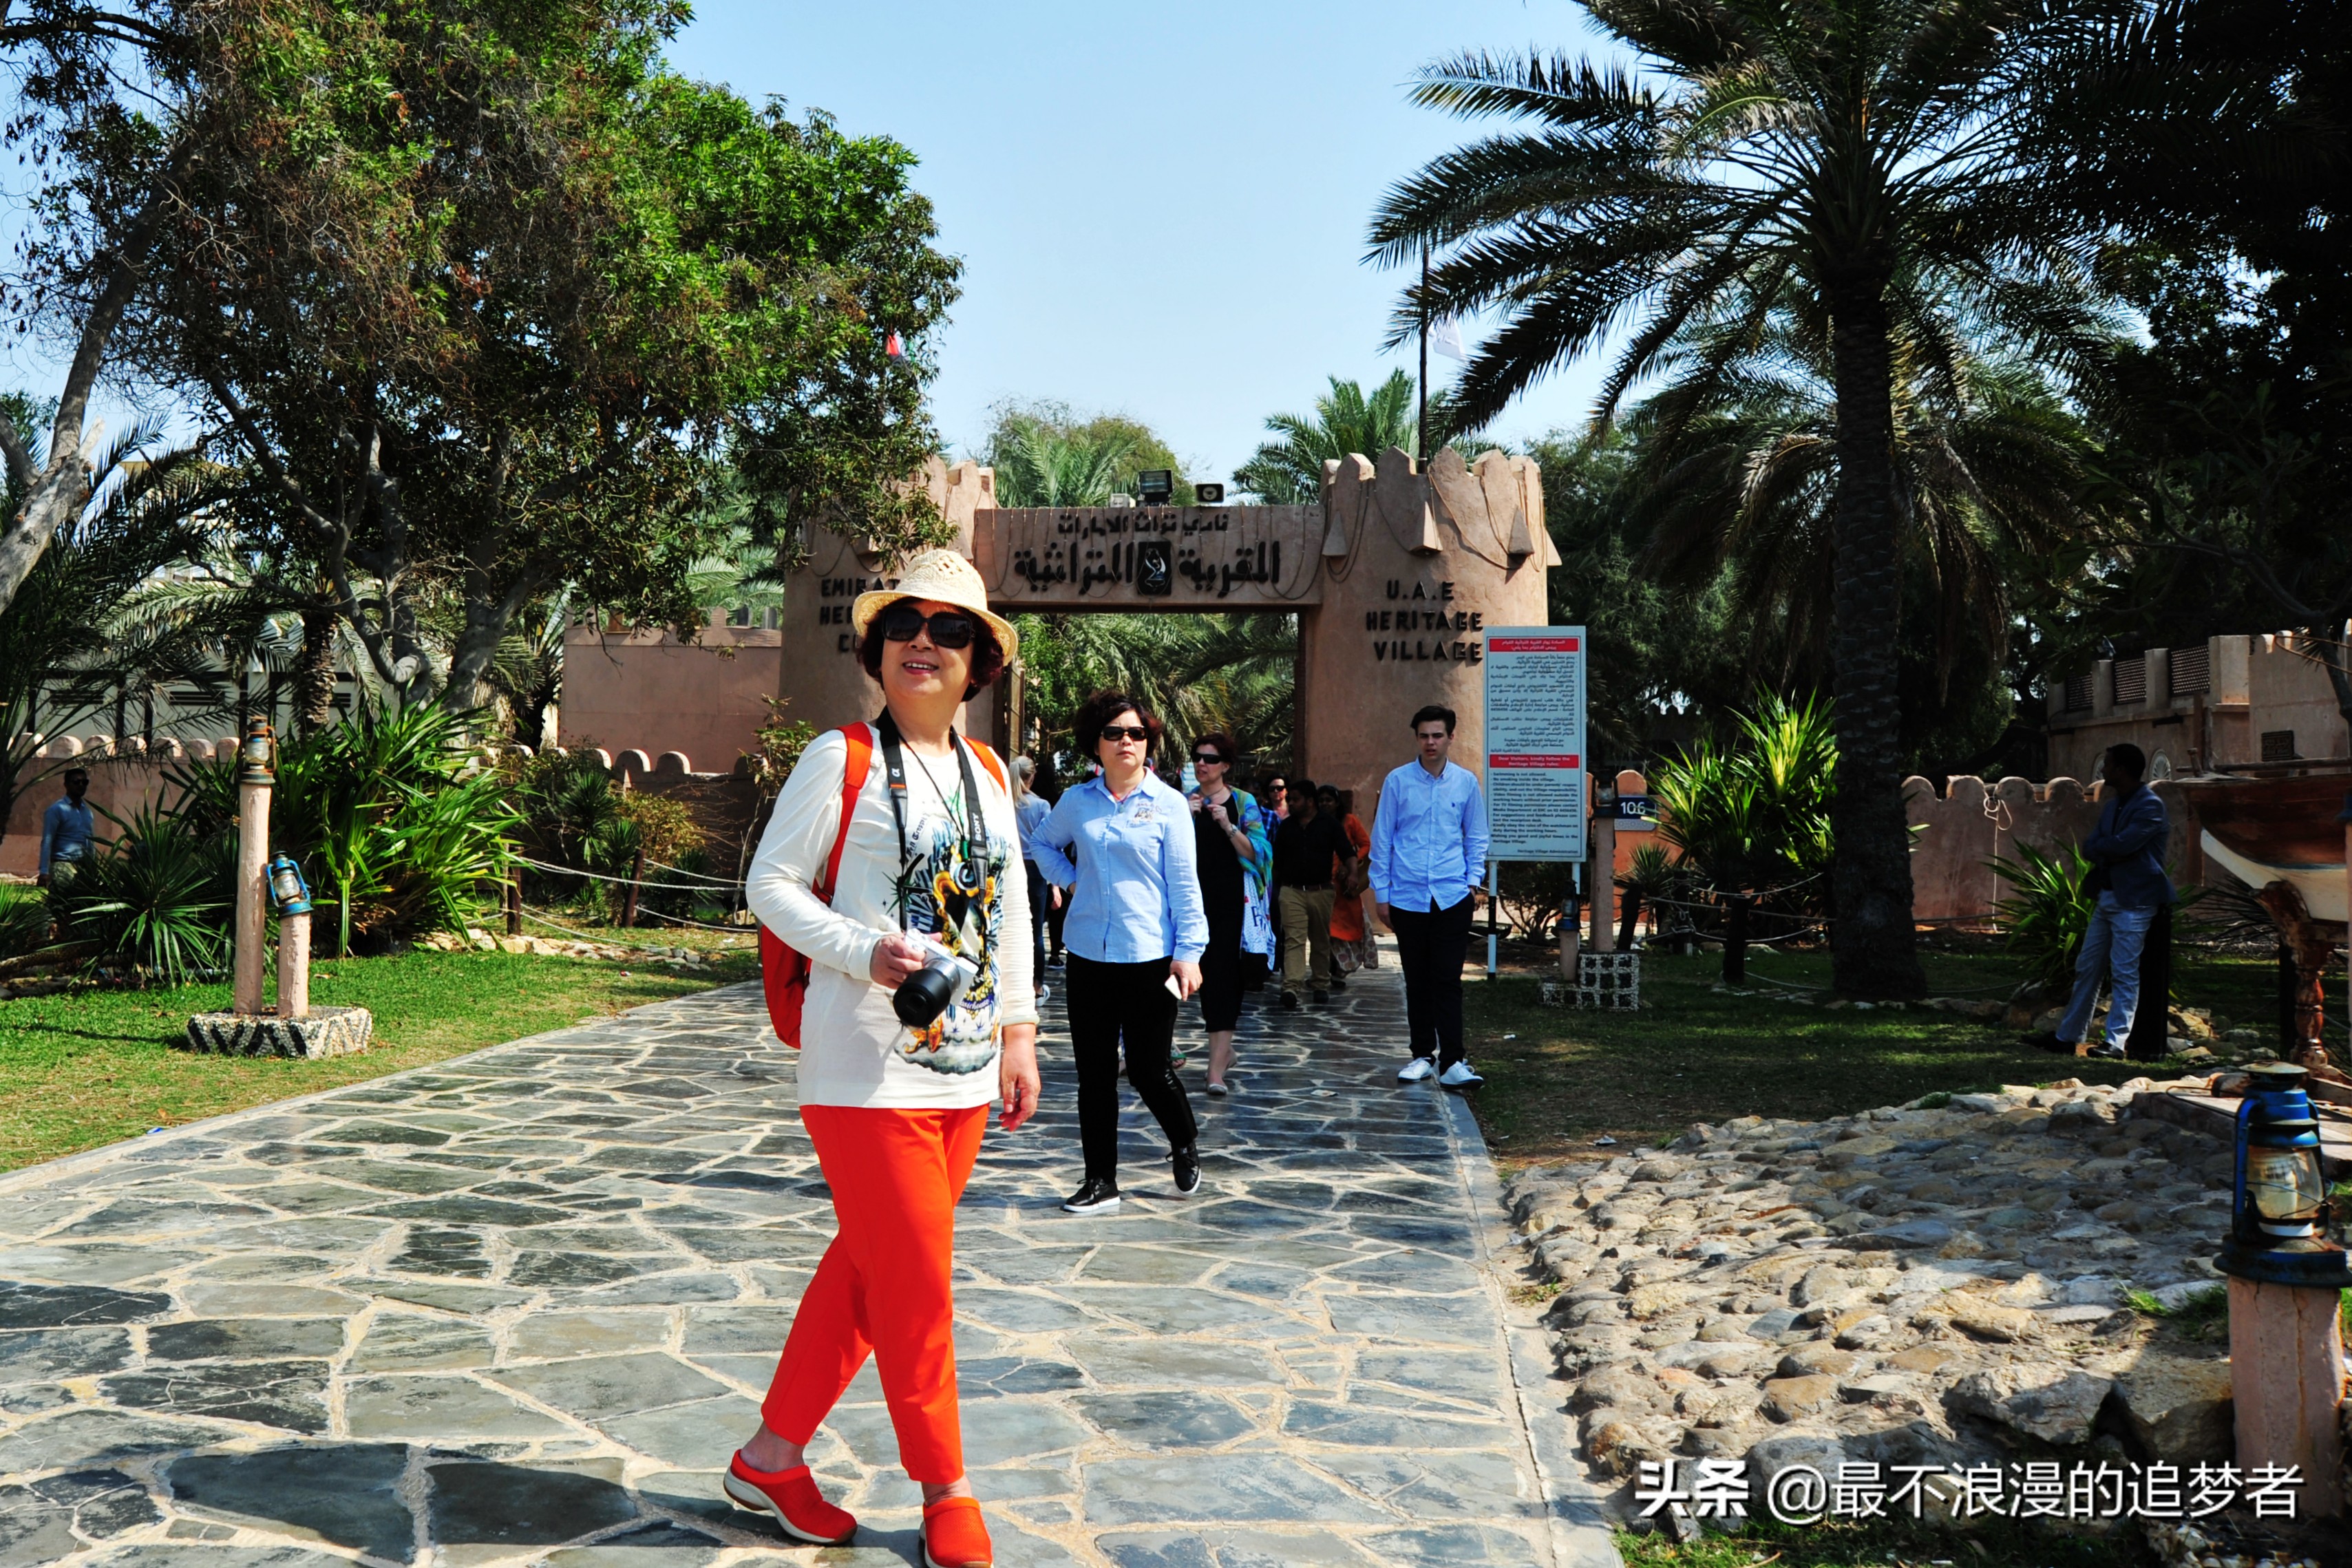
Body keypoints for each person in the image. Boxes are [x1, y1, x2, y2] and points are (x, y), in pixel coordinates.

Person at [736, 548, 1037, 1568]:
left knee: (870, 1274)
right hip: (863, 1070)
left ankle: (771, 1456)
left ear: (977, 659)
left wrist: (1020, 1034)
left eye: (949, 628)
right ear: (878, 647)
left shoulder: (990, 773)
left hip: (959, 1068)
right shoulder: (842, 757)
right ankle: (946, 1485)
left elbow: (1011, 919)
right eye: (905, 623)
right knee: (918, 1285)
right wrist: (866, 951)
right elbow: (770, 885)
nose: (924, 640)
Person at [1032, 691, 1208, 1214]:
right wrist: (1073, 880)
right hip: (1087, 955)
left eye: (1135, 733)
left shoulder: (1169, 805)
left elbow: (1184, 885)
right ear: (1097, 744)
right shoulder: (1075, 801)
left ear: (1147, 742)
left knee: (1151, 1069)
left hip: (1150, 956)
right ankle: (1100, 1180)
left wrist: (1190, 952)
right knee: (1093, 1074)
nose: (1125, 741)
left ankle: (1183, 1141)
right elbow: (1042, 843)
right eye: (1114, 733)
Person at [1370, 704, 1490, 1088]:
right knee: (1417, 979)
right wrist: (1382, 893)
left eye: (1437, 735)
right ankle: (1422, 1054)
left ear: (1450, 737)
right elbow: (1383, 838)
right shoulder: (1398, 781)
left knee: (1448, 979)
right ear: (1417, 738)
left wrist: (1472, 883)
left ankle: (1454, 1060)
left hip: (1453, 895)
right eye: (1424, 735)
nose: (1430, 742)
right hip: (1408, 897)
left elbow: (1476, 836)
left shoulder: (1466, 783)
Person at [2041, 743, 2176, 1061]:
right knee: (2088, 966)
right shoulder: (2115, 804)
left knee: (2125, 971)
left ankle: (2115, 1042)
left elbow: (2124, 845)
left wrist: (2108, 848)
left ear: (2122, 770)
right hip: (2109, 894)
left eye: (2109, 765)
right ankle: (2068, 1036)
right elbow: (2093, 846)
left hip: (2136, 900)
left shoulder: (2149, 806)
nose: (2103, 770)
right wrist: (2109, 848)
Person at [1186, 731, 1272, 1095]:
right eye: (1198, 758)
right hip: (1188, 904)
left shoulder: (1242, 801)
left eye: (1210, 759)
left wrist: (1227, 824)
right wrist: (1184, 819)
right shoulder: (1179, 803)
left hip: (1230, 907)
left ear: (1225, 765)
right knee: (1184, 982)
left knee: (1223, 983)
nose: (1202, 764)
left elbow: (1259, 854)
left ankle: (1215, 1070)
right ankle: (1220, 1053)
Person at [1270, 778, 1350, 1009]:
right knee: (1294, 939)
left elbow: (1347, 851)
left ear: (1309, 801)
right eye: (1289, 799)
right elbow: (1276, 860)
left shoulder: (1329, 824)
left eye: (1295, 799)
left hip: (1321, 891)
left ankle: (1320, 983)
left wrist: (1353, 873)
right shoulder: (1286, 827)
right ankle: (1291, 987)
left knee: (1320, 939)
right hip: (1291, 891)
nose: (1291, 803)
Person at [1011, 756, 1059, 1005]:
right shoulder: (1041, 806)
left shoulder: (1004, 803)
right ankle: (1036, 986)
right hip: (1037, 871)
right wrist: (1056, 885)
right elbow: (1049, 846)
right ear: (1032, 777)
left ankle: (1011, 983)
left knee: (1009, 928)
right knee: (1036, 932)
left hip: (1010, 867)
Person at [1320, 785, 1374, 986]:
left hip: (1345, 886)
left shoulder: (1350, 821)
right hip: (1323, 883)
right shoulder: (1315, 822)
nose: (1325, 804)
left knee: (1345, 928)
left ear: (1337, 803)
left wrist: (1350, 863)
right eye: (1322, 800)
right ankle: (1326, 970)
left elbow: (1366, 845)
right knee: (1325, 929)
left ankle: (1340, 969)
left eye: (1329, 800)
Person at [36, 768, 96, 885]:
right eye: (76, 782)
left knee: (82, 904)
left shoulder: (87, 812)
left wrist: (93, 867)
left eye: (84, 782)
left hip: (84, 868)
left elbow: (90, 841)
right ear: (66, 785)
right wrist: (44, 871)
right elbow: (48, 840)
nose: (81, 785)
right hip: (62, 866)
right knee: (61, 903)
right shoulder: (56, 810)